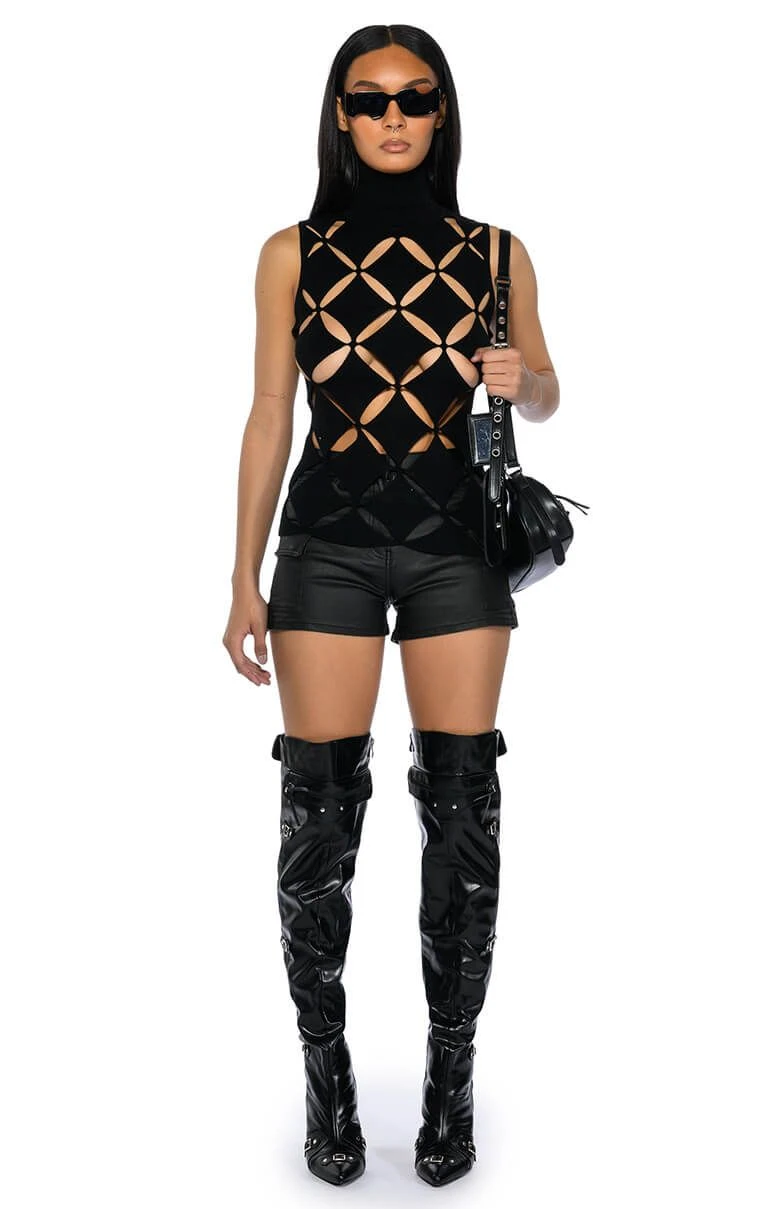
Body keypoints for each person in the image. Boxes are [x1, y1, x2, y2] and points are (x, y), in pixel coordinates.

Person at [222, 23, 560, 1189]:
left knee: (463, 814)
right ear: (339, 115)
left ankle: (448, 1080)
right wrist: (241, 574)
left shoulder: (495, 252)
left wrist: (525, 379)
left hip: (455, 549)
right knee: (316, 820)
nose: (392, 117)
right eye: (368, 100)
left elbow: (545, 388)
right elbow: (271, 412)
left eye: (414, 98)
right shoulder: (291, 253)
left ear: (440, 112)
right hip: (324, 544)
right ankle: (326, 1079)